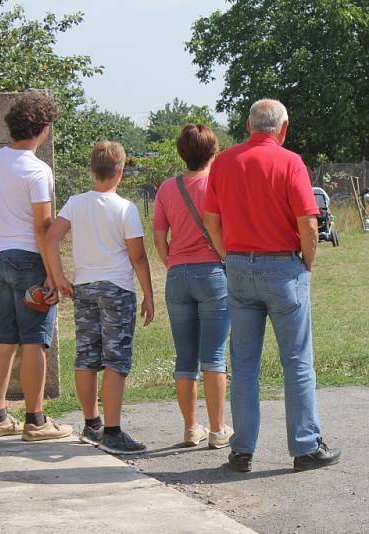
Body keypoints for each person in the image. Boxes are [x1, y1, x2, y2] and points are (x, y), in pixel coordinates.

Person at [204, 99, 341, 473]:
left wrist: (227, 254)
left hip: (238, 264)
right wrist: (306, 262)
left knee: (244, 364)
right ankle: (304, 445)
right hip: (282, 267)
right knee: (297, 361)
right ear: (283, 128)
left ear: (249, 125)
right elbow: (308, 224)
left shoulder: (225, 162)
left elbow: (211, 218)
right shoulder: (289, 161)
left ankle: (242, 449)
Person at [44, 141, 154, 455]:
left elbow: (51, 238)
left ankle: (92, 423)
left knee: (87, 356)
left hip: (85, 288)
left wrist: (60, 276)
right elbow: (139, 257)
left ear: (92, 171)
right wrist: (148, 295)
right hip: (117, 288)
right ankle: (114, 432)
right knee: (116, 361)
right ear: (120, 172)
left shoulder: (76, 203)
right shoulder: (126, 208)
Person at [0, 91, 72, 441]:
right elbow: (43, 229)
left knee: (6, 340)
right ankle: (36, 420)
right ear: (43, 128)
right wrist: (53, 273)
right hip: (28, 259)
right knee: (35, 340)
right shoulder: (37, 170)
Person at [152, 124, 234, 449]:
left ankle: (191, 428)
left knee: (184, 358)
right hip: (214, 272)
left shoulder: (167, 188)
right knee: (213, 355)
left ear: (181, 153)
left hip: (178, 275)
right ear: (213, 152)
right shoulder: (219, 185)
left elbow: (159, 237)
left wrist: (170, 261)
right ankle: (218, 429)